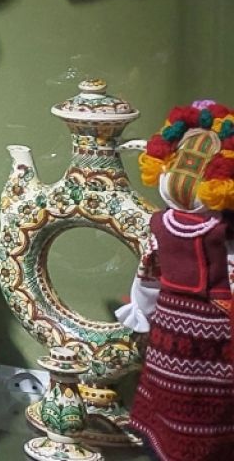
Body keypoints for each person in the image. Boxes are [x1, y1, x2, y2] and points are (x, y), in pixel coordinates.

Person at [119, 103, 234, 461]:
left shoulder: (167, 226)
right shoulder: (213, 230)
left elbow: (148, 275)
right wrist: (141, 310)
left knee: (196, 397)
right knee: (189, 397)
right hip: (197, 329)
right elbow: (150, 272)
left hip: (183, 327)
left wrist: (141, 310)